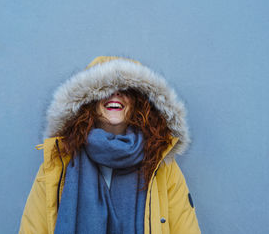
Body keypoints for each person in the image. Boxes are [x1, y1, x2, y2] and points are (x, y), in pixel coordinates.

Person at [19, 56, 201, 234]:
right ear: (88, 101)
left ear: (139, 103)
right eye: (104, 88)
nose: (115, 94)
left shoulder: (161, 165)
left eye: (125, 90)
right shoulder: (60, 161)